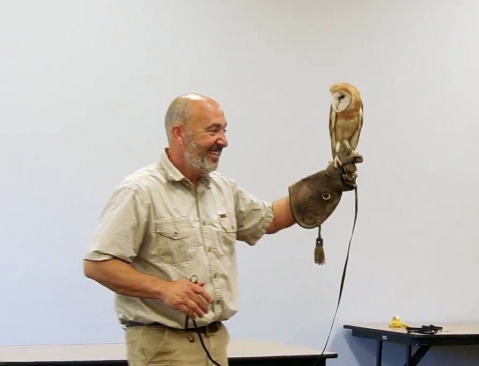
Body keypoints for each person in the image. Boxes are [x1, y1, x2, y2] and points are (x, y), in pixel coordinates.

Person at [83, 93, 361, 366]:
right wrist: (163, 289)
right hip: (161, 348)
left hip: (215, 344)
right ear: (179, 133)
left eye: (224, 130)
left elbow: (271, 218)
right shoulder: (140, 191)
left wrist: (328, 182)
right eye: (213, 130)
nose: (223, 141)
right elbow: (98, 265)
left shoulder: (223, 188)